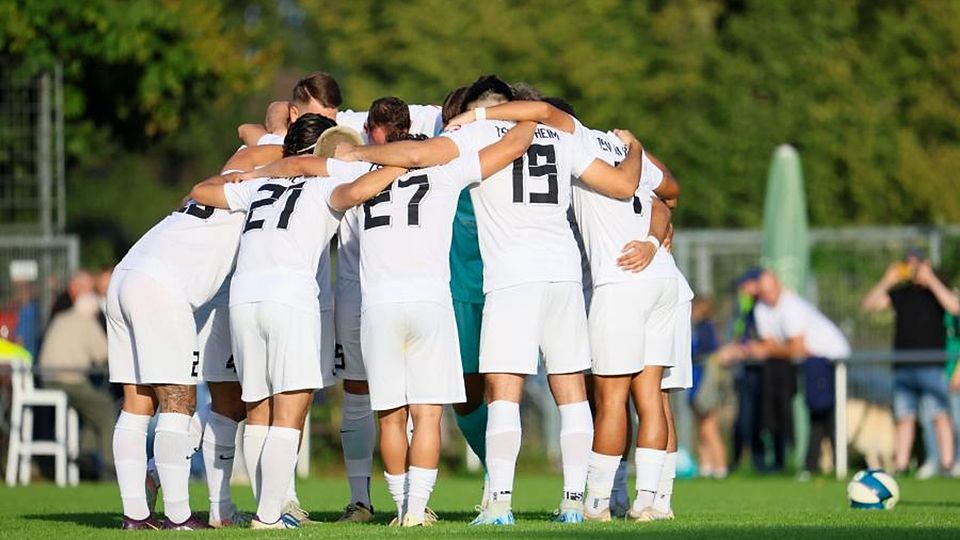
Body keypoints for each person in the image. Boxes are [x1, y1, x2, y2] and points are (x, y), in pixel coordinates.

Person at [340, 78, 646, 525]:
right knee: (571, 394)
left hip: (511, 279)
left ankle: (499, 502)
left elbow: (415, 156)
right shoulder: (562, 132)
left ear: (478, 108)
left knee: (503, 394)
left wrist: (358, 155)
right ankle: (574, 504)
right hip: (562, 273)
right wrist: (636, 148)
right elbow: (622, 185)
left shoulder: (473, 133)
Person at [191, 116, 408, 529]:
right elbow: (361, 189)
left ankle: (264, 510)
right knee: (290, 411)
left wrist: (257, 172)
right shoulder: (328, 181)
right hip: (289, 297)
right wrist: (405, 163)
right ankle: (271, 516)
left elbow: (201, 191)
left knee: (258, 410)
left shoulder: (259, 184)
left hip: (243, 296)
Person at [105, 124, 300, 530]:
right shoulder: (259, 188)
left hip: (126, 273)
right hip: (163, 287)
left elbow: (249, 133)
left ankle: (135, 515)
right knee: (179, 403)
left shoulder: (225, 180)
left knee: (136, 403)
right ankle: (178, 516)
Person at [746, 270, 851, 477]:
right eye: (763, 291)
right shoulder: (761, 309)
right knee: (818, 411)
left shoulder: (790, 306)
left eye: (770, 290)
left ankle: (835, 464)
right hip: (811, 360)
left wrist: (768, 349)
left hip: (829, 357)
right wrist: (772, 348)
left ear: (778, 286)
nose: (767, 295)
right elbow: (775, 345)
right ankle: (812, 465)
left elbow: (796, 348)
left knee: (826, 411)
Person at [862, 249, 958, 475]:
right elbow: (869, 304)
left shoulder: (936, 291)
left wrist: (931, 279)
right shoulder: (901, 293)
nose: (912, 268)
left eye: (917, 264)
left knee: (939, 415)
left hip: (932, 364)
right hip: (903, 365)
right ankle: (901, 466)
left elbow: (955, 307)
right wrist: (888, 279)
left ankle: (947, 463)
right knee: (905, 417)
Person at [38, 292, 114, 478]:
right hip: (69, 380)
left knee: (92, 411)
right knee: (106, 409)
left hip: (46, 381)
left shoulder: (60, 318)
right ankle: (109, 467)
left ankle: (87, 454)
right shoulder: (87, 323)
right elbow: (103, 354)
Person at [729, 267, 766, 472]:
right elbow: (737, 333)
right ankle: (738, 462)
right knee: (743, 418)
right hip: (743, 371)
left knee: (758, 418)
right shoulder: (742, 308)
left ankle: (760, 461)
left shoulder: (760, 306)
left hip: (759, 369)